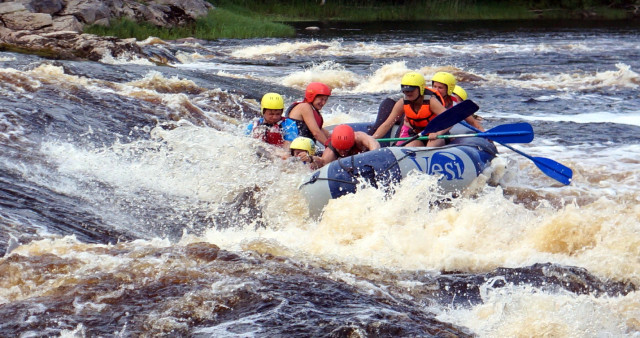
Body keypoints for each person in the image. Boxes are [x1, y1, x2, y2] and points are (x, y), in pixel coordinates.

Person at [370, 72, 448, 147]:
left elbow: (450, 120)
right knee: (410, 146)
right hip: (417, 135)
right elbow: (387, 124)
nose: (408, 93)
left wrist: (438, 133)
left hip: (435, 135)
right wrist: (372, 139)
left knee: (432, 145)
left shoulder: (431, 101)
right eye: (405, 90)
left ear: (420, 89)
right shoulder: (402, 103)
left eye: (411, 90)